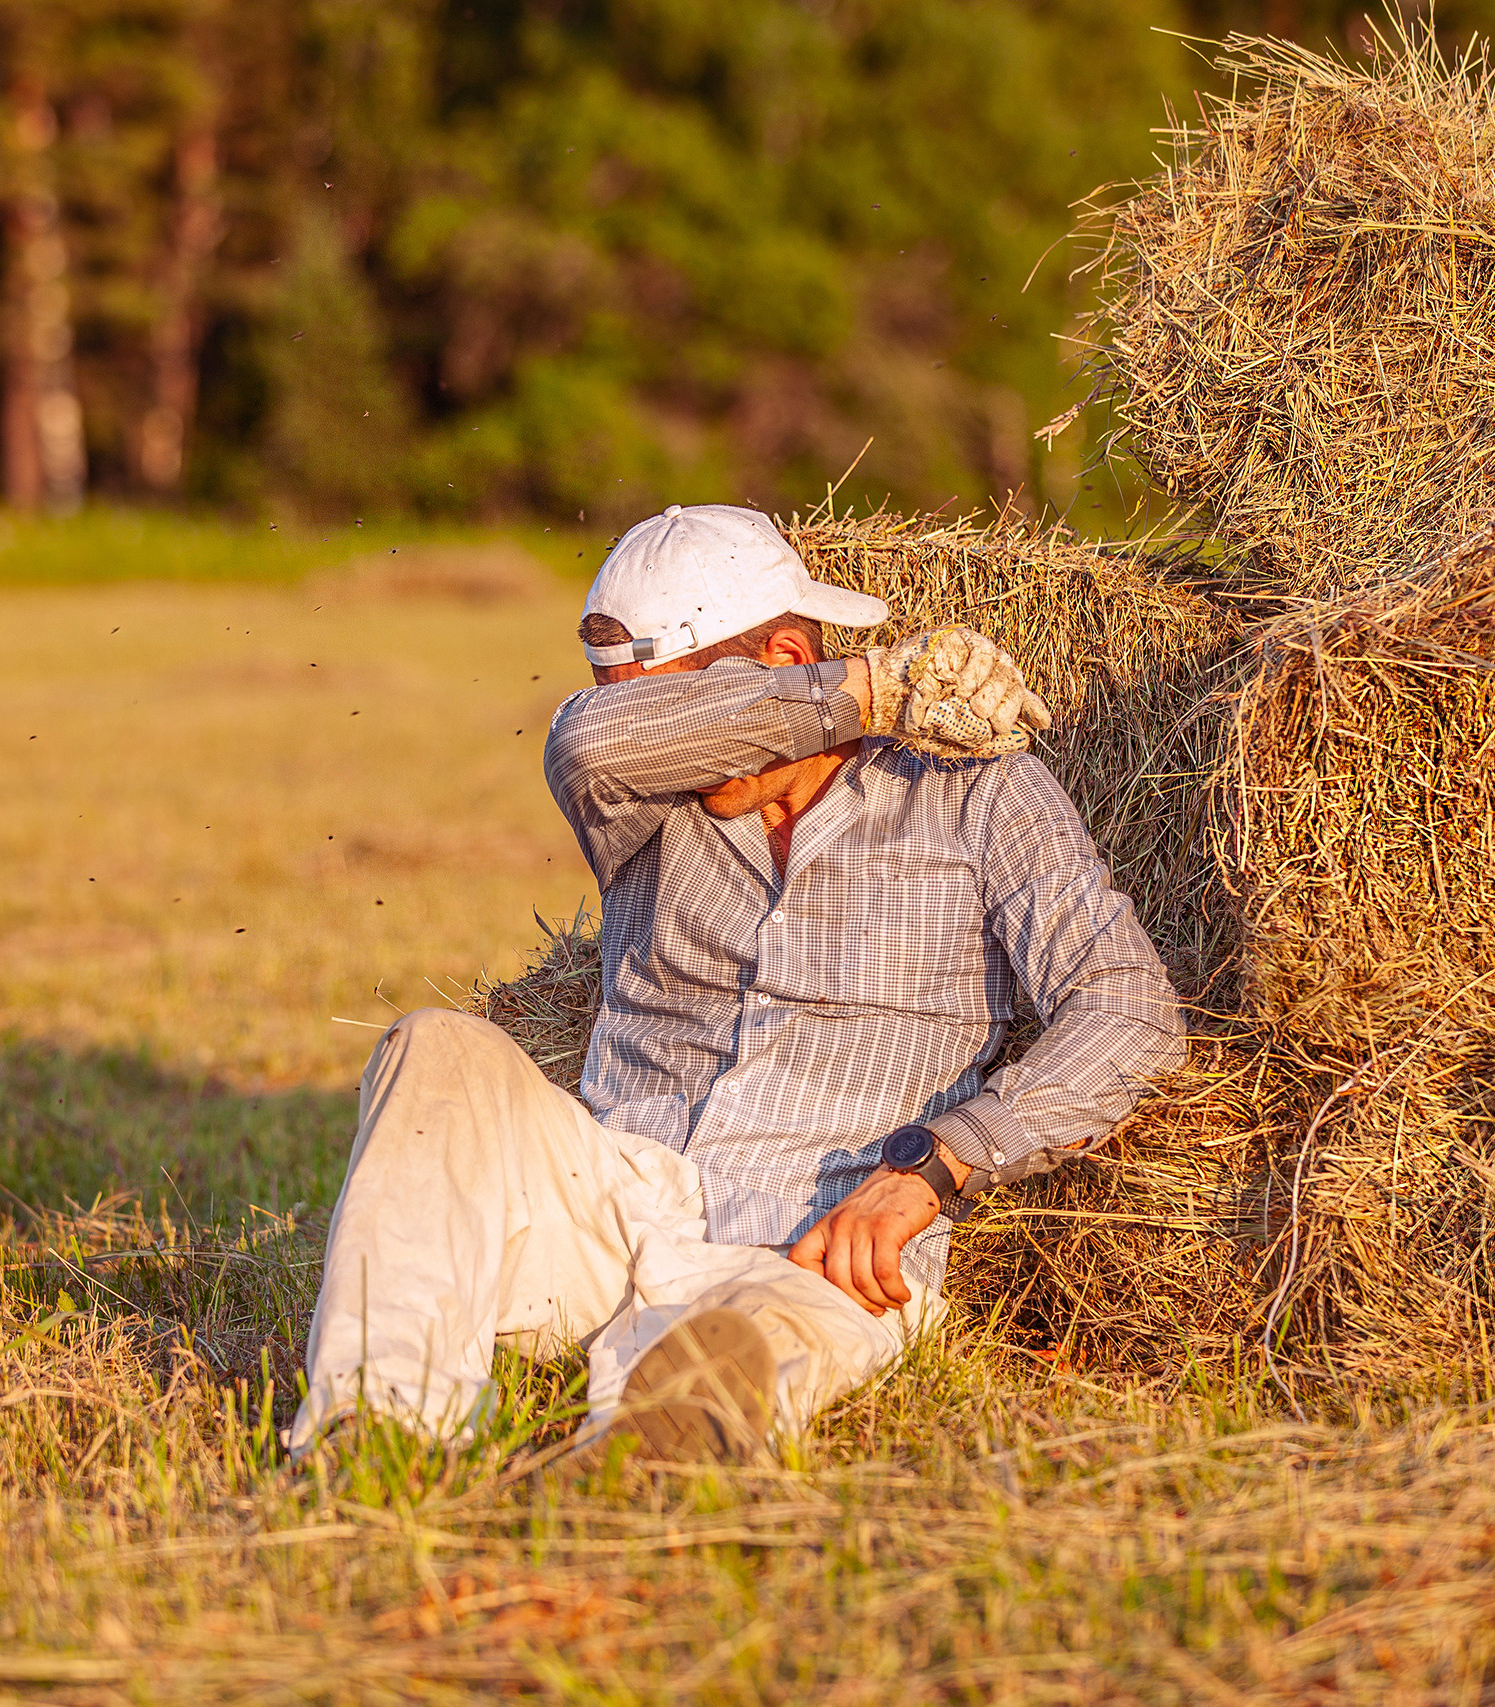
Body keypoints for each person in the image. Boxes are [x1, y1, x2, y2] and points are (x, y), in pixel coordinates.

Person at [286, 503, 1185, 1463]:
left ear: (787, 657)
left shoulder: (983, 795)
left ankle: (647, 1452)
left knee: (743, 1354)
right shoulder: (635, 798)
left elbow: (1128, 1009)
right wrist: (876, 688)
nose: (669, 744)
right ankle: (372, 1429)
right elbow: (594, 738)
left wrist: (940, 1163)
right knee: (437, 1047)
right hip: (609, 1204)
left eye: (683, 710)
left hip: (817, 1245)